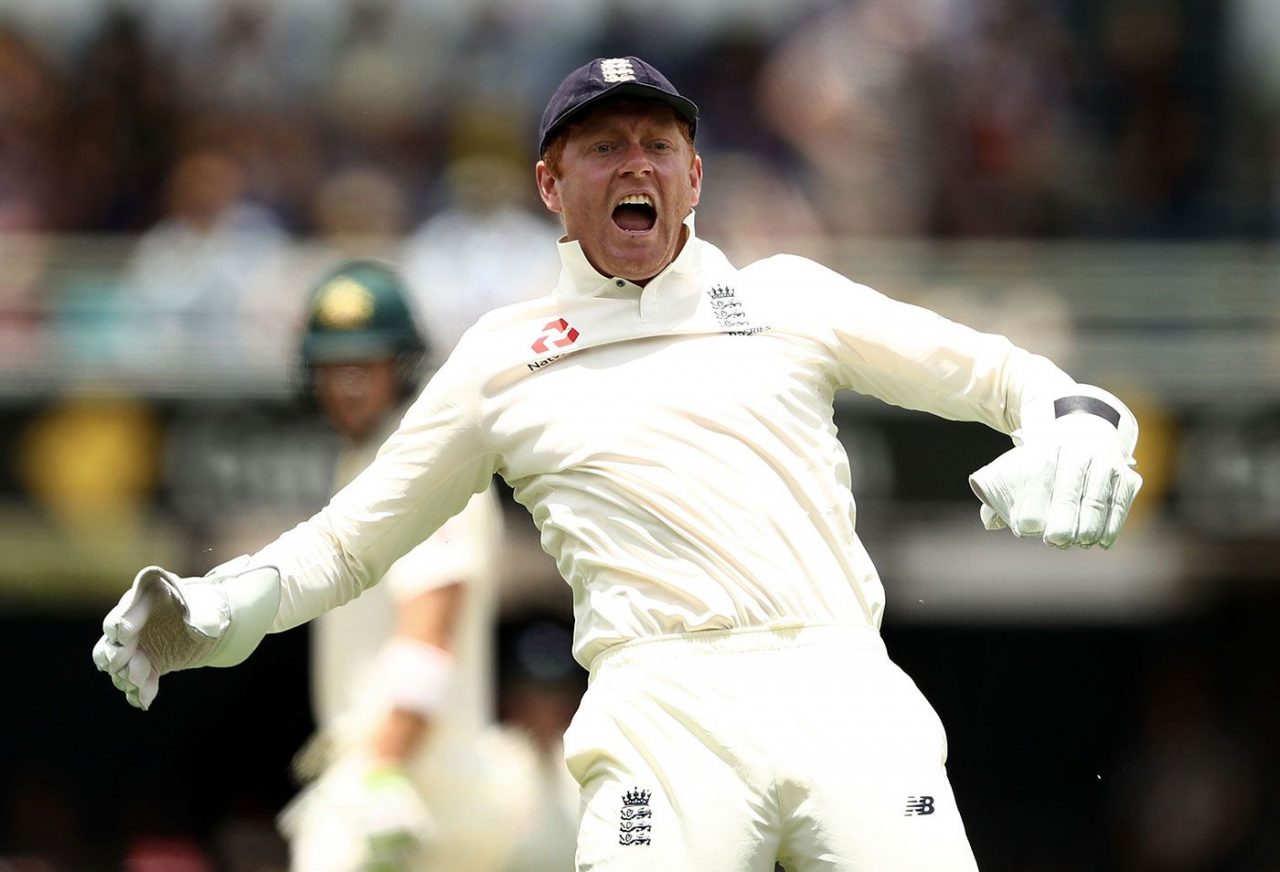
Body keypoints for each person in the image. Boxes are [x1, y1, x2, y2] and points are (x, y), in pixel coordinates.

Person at [94, 57, 1143, 871]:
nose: (633, 162)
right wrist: (218, 605)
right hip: (659, 708)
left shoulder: (789, 298)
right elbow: (347, 541)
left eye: (656, 142)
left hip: (841, 683)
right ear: (551, 184)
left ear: (695, 175)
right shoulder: (504, 357)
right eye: (601, 148)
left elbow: (1010, 378)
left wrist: (1080, 422)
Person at [274, 259, 544, 871]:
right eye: (332, 367)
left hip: (416, 786)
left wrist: (383, 771)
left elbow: (432, 626)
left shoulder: (422, 465)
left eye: (363, 366)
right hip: (407, 779)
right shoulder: (366, 461)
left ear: (400, 366)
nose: (346, 385)